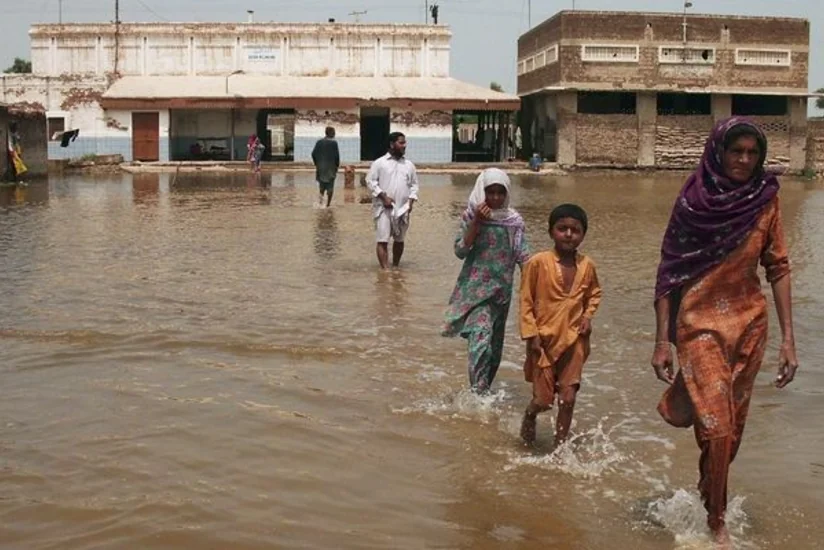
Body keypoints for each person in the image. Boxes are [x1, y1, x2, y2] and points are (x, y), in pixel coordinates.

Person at [650, 117, 798, 545]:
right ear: (719, 152)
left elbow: (779, 267)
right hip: (698, 327)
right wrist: (662, 341)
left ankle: (706, 492)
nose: (744, 160)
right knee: (717, 428)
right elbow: (669, 275)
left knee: (729, 435)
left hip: (750, 327)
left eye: (753, 153)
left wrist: (789, 340)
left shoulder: (765, 200)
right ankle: (717, 523)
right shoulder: (693, 202)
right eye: (737, 151)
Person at [519, 204, 601, 446]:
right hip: (543, 341)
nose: (568, 234)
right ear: (550, 231)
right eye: (561, 228)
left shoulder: (587, 266)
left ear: (583, 234)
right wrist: (531, 335)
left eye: (574, 230)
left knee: (568, 397)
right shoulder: (537, 263)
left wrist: (587, 317)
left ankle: (560, 446)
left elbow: (595, 294)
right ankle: (530, 413)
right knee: (544, 400)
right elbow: (526, 301)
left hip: (574, 340)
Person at [442, 169, 530, 393]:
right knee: (480, 339)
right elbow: (460, 250)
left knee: (494, 350)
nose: (496, 198)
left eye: (501, 193)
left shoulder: (514, 222)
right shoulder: (472, 217)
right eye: (490, 192)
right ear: (482, 192)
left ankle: (482, 393)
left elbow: (524, 257)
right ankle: (478, 395)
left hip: (501, 294)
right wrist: (477, 222)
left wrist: (533, 291)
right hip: (475, 293)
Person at [366, 132, 419, 269]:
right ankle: (385, 271)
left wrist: (411, 202)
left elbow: (414, 185)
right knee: (382, 240)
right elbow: (370, 182)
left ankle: (395, 267)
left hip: (403, 209)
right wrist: (383, 197)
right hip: (384, 208)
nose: (404, 146)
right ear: (391, 144)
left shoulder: (409, 165)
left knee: (399, 240)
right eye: (401, 143)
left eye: (404, 143)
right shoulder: (379, 163)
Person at [311, 126, 341, 208]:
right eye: (334, 132)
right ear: (331, 133)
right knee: (330, 187)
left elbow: (313, 154)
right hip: (330, 168)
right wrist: (336, 166)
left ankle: (320, 203)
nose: (335, 134)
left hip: (320, 168)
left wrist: (317, 164)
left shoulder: (319, 142)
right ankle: (328, 205)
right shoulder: (334, 143)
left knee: (322, 186)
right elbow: (337, 157)